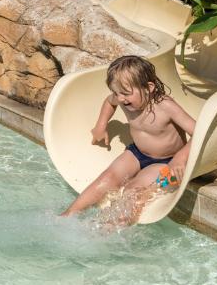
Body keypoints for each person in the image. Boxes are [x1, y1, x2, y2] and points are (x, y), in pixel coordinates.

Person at [62, 55, 196, 217]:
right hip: (137, 153)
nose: (120, 98)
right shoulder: (122, 99)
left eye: (125, 93)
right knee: (107, 178)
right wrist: (101, 125)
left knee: (133, 191)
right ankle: (67, 215)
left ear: (149, 88)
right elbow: (109, 102)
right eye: (116, 93)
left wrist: (180, 158)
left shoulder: (165, 106)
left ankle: (110, 226)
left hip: (167, 161)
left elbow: (198, 133)